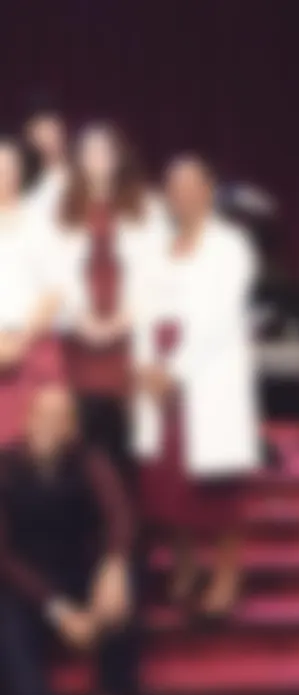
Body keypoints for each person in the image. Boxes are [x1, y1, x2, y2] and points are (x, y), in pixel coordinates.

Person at [0, 384, 150, 695]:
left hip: (78, 571)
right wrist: (60, 613)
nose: (51, 425)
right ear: (27, 420)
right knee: (12, 653)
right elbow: (4, 556)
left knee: (129, 574)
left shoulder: (87, 459)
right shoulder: (6, 465)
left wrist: (111, 565)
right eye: (43, 414)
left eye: (62, 417)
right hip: (27, 588)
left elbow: (119, 516)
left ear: (72, 427)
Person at [131, 156, 262, 622]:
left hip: (206, 372)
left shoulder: (229, 246)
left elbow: (217, 317)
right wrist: (146, 364)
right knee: (168, 483)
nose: (181, 195)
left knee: (217, 487)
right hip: (158, 375)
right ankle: (185, 567)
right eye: (173, 187)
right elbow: (141, 307)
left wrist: (174, 370)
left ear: (208, 189)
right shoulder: (157, 245)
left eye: (190, 185)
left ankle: (226, 574)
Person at [39, 123, 156, 483]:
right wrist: (81, 320)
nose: (97, 160)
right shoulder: (60, 209)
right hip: (78, 340)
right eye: (89, 151)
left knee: (126, 444)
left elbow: (159, 272)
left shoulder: (145, 207)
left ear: (119, 157)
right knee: (81, 440)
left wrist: (124, 319)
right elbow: (49, 271)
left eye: (105, 151)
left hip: (129, 338)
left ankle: (130, 533)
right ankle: (87, 532)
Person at [0, 136, 61, 445]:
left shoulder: (39, 225)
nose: (3, 173)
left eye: (9, 166)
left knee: (33, 449)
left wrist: (20, 341)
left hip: (32, 348)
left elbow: (55, 292)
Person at [22, 104, 69, 224]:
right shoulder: (27, 181)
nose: (46, 137)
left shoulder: (79, 174)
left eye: (50, 128)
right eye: (39, 130)